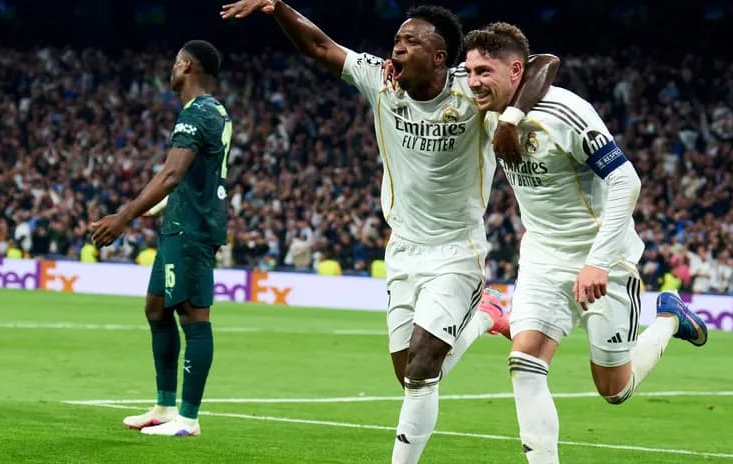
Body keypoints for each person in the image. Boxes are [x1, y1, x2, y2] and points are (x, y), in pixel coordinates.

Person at [219, 2, 558, 462]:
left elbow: (544, 62)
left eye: (411, 41)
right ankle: (486, 315)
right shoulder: (380, 81)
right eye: (397, 40)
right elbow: (320, 46)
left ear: (440, 57)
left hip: (457, 249)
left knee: (422, 368)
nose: (397, 48)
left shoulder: (470, 87)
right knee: (410, 375)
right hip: (402, 249)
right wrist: (277, 7)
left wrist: (512, 119)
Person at [463, 23, 709, 463]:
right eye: (469, 72)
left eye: (484, 72)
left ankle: (670, 317)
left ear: (516, 70)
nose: (474, 82)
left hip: (603, 259)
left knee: (614, 389)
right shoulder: (482, 105)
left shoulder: (567, 112)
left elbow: (626, 180)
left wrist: (597, 261)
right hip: (541, 256)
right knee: (524, 362)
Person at [89, 40, 231, 437]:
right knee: (156, 309)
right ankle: (165, 407)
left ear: (186, 65)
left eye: (174, 62)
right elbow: (198, 173)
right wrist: (161, 205)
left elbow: (171, 174)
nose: (171, 69)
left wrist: (124, 217)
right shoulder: (215, 110)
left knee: (193, 316)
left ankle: (188, 419)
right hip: (179, 221)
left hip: (192, 228)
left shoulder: (197, 113)